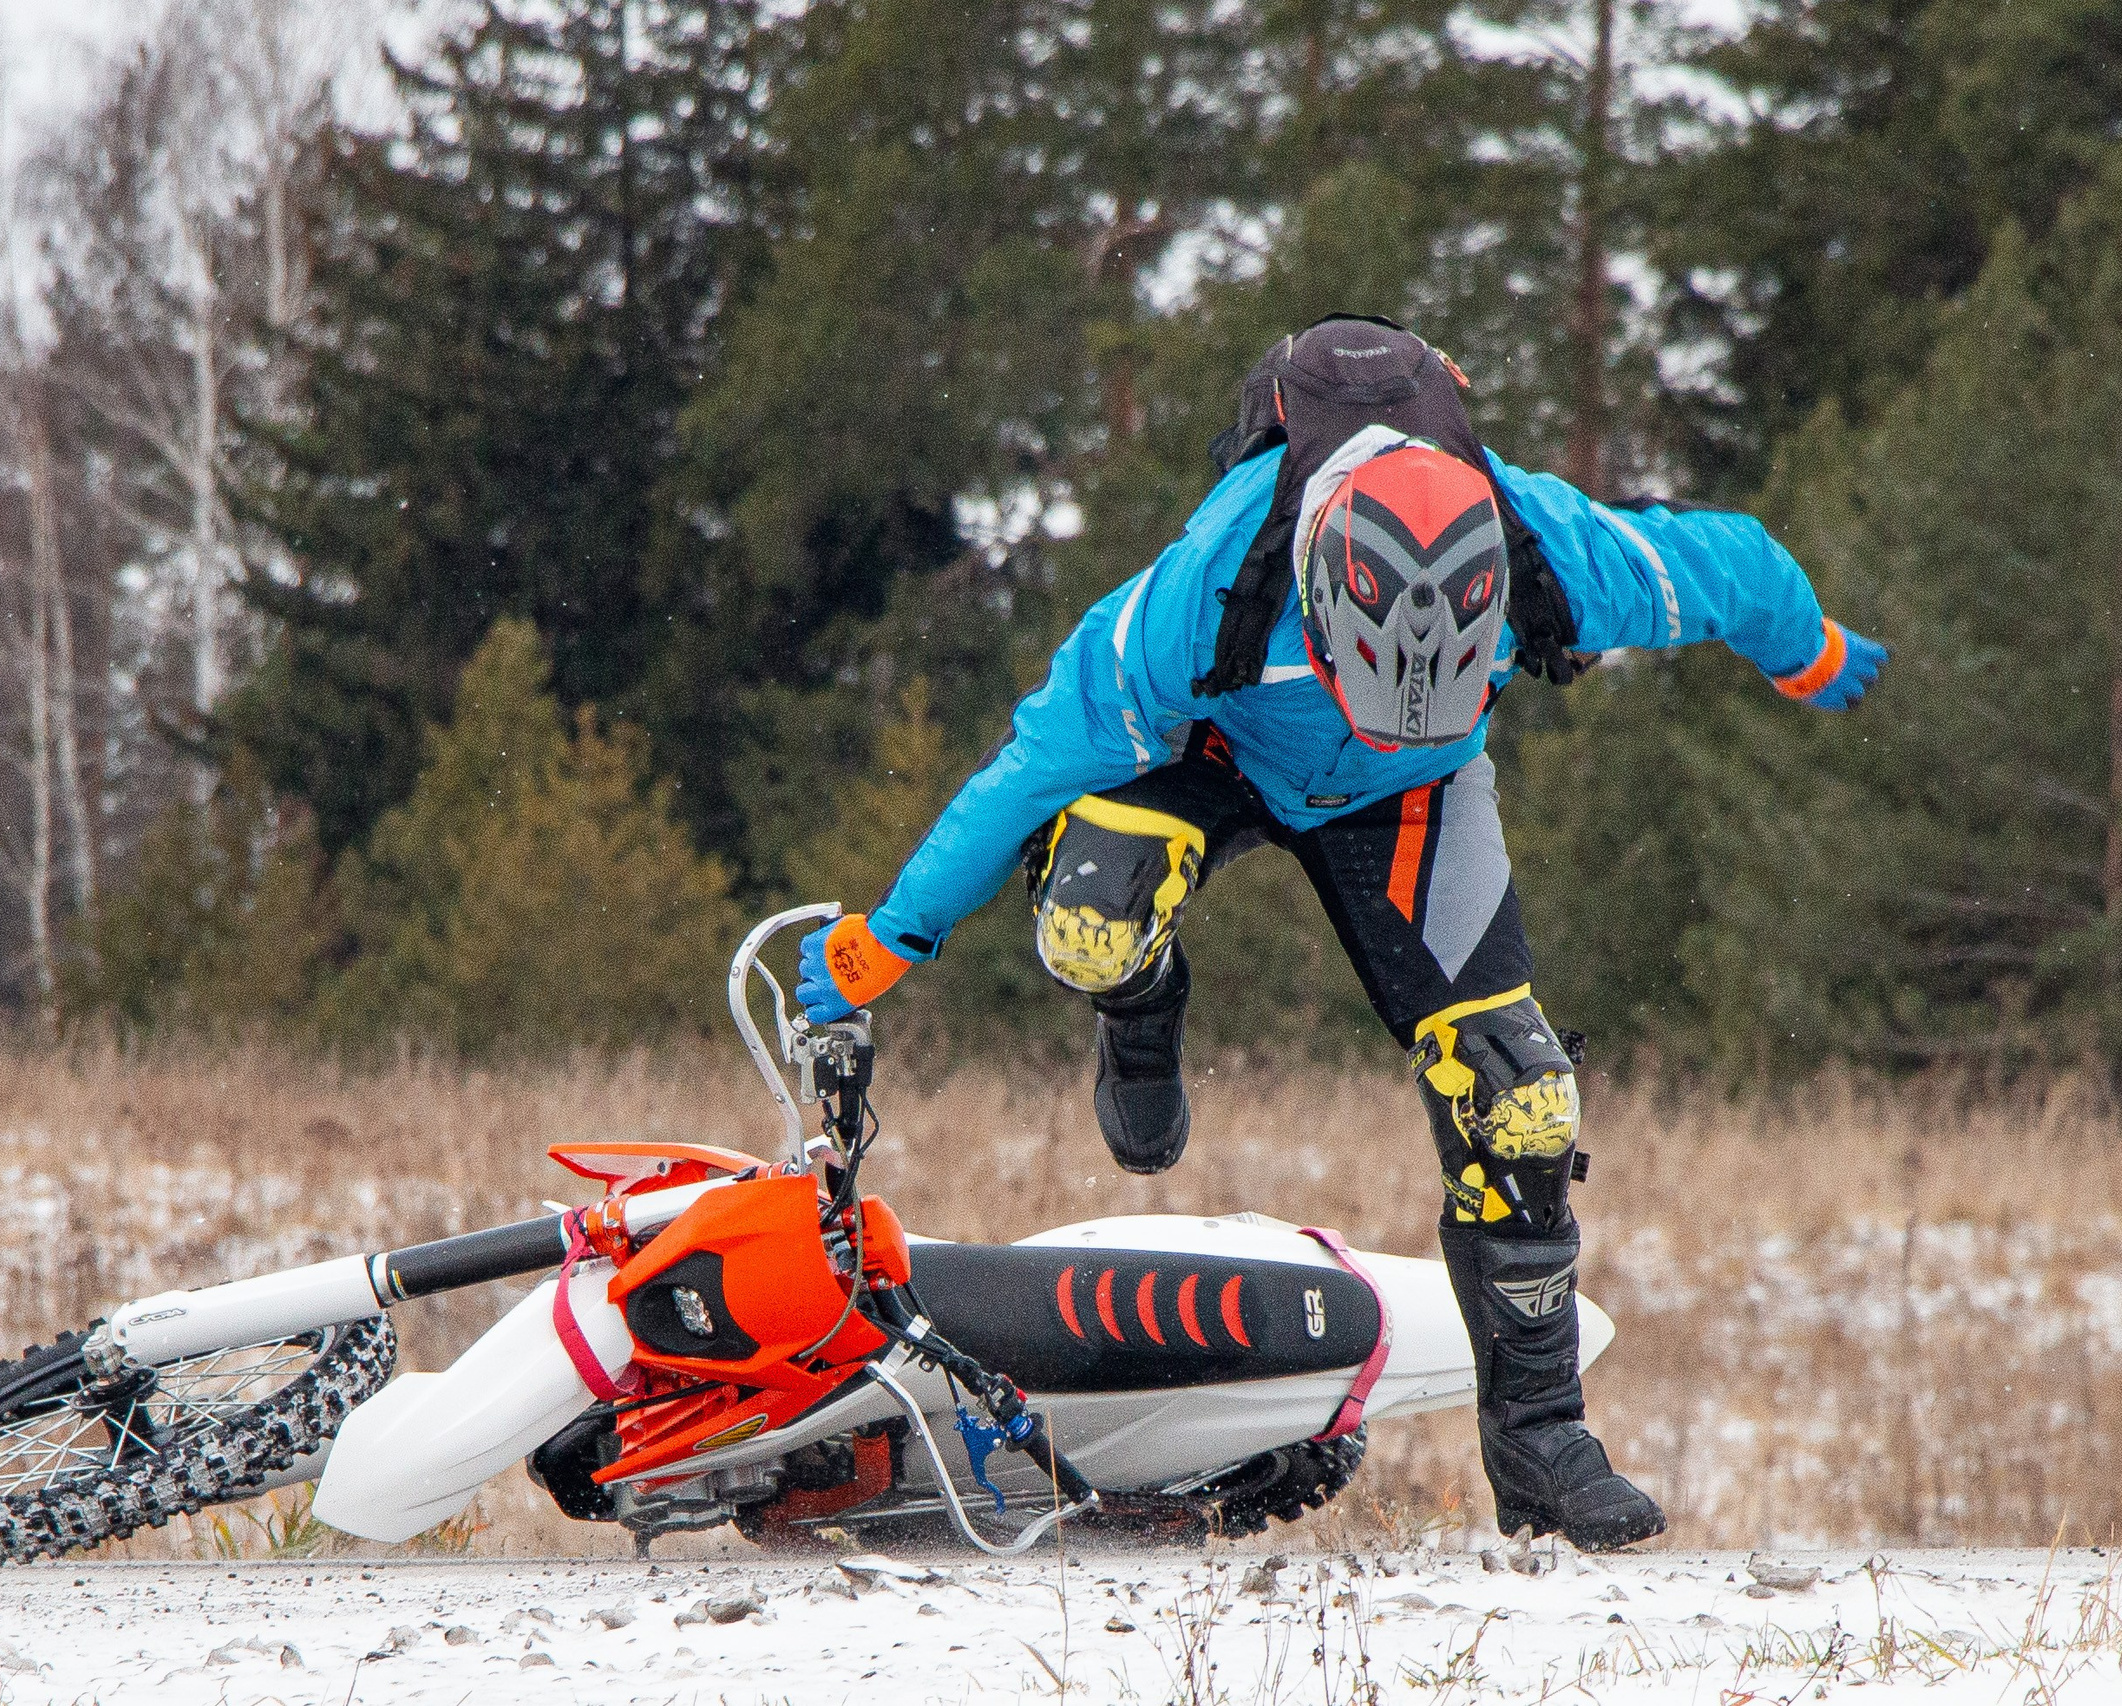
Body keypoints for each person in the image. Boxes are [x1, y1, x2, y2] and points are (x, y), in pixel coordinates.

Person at [790, 315, 1886, 1551]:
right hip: (1213, 760)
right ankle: (1139, 1008)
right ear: (1316, 602)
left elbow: (1733, 565)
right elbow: (1024, 768)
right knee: (1089, 922)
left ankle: (1539, 1441)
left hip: (1411, 798)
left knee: (1521, 1097)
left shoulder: (1552, 550)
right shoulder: (1195, 600)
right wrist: (891, 936)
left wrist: (1811, 651)